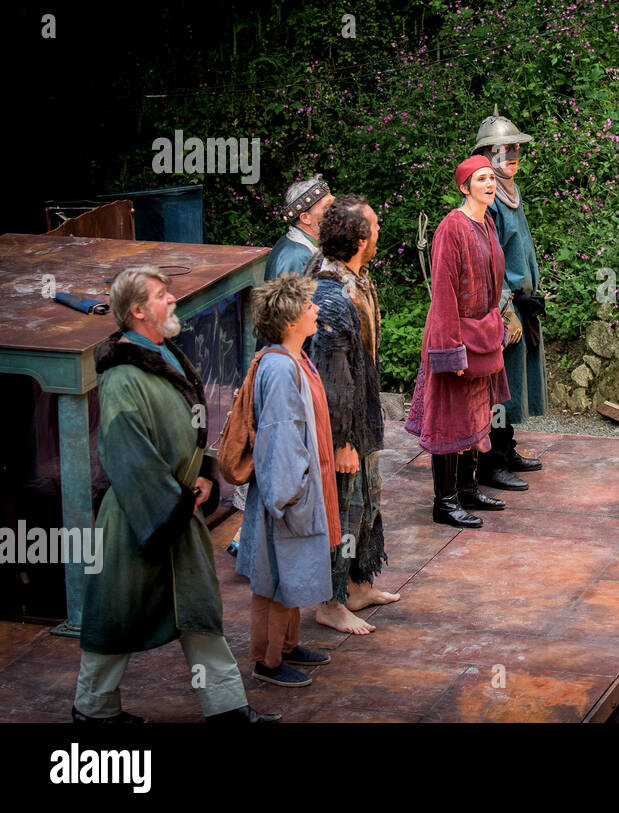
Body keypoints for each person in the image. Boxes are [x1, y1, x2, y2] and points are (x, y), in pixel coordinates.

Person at [73, 266, 278, 723]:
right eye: (162, 294)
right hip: (138, 518)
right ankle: (93, 710)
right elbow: (126, 454)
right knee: (116, 616)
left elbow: (191, 429)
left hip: (177, 511)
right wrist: (175, 504)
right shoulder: (122, 378)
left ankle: (227, 708)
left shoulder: (164, 353)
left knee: (199, 611)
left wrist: (204, 475)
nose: (172, 300)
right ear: (137, 310)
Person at [236, 274, 338, 687]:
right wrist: (289, 496)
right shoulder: (280, 367)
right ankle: (269, 660)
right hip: (287, 493)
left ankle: (289, 645)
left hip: (296, 488)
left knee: (290, 573)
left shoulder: (293, 358)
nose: (316, 309)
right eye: (309, 306)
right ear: (291, 319)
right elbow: (279, 435)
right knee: (277, 577)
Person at [306, 195, 400, 635]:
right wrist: (342, 441)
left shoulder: (356, 277)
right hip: (343, 428)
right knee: (344, 511)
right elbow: (332, 378)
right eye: (375, 225)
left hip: (363, 417)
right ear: (361, 238)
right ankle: (330, 601)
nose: (380, 230)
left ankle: (359, 586)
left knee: (366, 505)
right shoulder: (330, 292)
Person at [406, 156, 511, 528]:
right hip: (453, 336)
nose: (489, 184)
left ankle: (468, 489)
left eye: (491, 178)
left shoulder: (487, 223)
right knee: (450, 418)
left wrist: (495, 330)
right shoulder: (452, 226)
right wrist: (451, 350)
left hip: (482, 336)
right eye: (480, 179)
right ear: (464, 187)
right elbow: (444, 293)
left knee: (476, 415)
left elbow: (494, 283)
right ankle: (445, 502)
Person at [478, 115, 546, 492]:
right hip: (502, 307)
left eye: (516, 147)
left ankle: (507, 448)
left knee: (514, 384)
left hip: (522, 302)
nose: (513, 154)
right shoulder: (488, 199)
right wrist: (505, 309)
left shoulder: (510, 190)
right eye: (505, 149)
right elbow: (489, 259)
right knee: (498, 387)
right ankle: (492, 461)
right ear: (489, 155)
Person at [266, 177, 334, 280]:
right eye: (327, 207)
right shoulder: (296, 257)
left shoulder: (308, 244)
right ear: (305, 218)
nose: (336, 211)